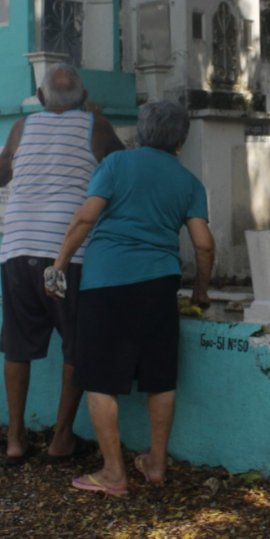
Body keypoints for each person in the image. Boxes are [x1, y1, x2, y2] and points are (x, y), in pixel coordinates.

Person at [48, 100, 215, 495]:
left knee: (100, 380)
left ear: (141, 131)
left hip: (106, 282)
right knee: (160, 377)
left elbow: (86, 217)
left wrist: (59, 264)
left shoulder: (115, 165)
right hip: (160, 283)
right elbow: (204, 245)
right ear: (182, 139)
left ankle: (113, 473)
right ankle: (156, 464)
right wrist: (201, 289)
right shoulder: (189, 182)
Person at [0, 62, 125, 466]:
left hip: (17, 249)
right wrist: (99, 120)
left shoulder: (22, 127)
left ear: (42, 98)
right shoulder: (94, 127)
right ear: (83, 99)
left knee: (17, 346)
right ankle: (60, 439)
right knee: (75, 346)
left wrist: (7, 163)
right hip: (69, 255)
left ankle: (15, 440)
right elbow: (121, 168)